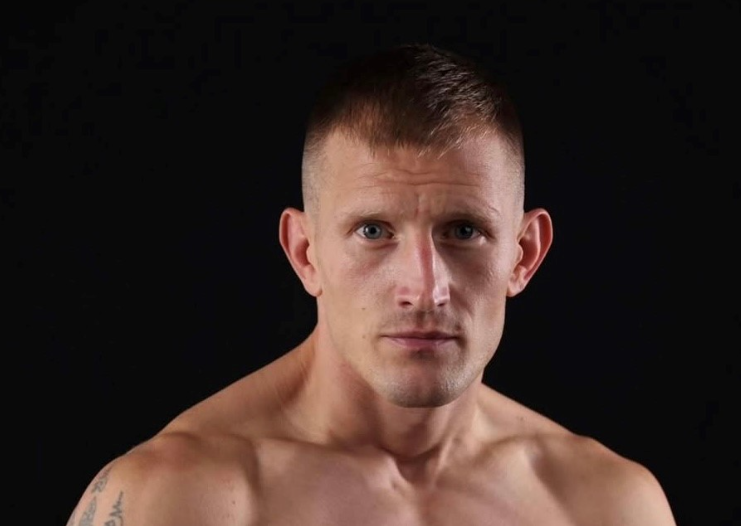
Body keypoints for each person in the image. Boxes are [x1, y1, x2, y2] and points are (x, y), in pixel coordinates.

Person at [66, 43, 677, 525]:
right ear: (306, 254)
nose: (425, 289)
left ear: (524, 254)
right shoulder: (175, 500)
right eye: (374, 231)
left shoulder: (606, 507)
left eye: (463, 231)